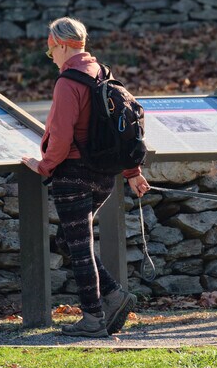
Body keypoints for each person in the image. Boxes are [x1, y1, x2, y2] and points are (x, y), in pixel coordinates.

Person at [21, 17, 150, 338]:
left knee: (78, 246)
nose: (50, 55)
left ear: (62, 45)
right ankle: (115, 297)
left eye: (50, 49)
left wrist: (44, 165)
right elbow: (118, 128)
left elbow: (61, 136)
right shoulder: (102, 73)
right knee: (69, 240)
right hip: (104, 175)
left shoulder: (68, 82)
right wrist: (131, 171)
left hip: (74, 175)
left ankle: (93, 318)